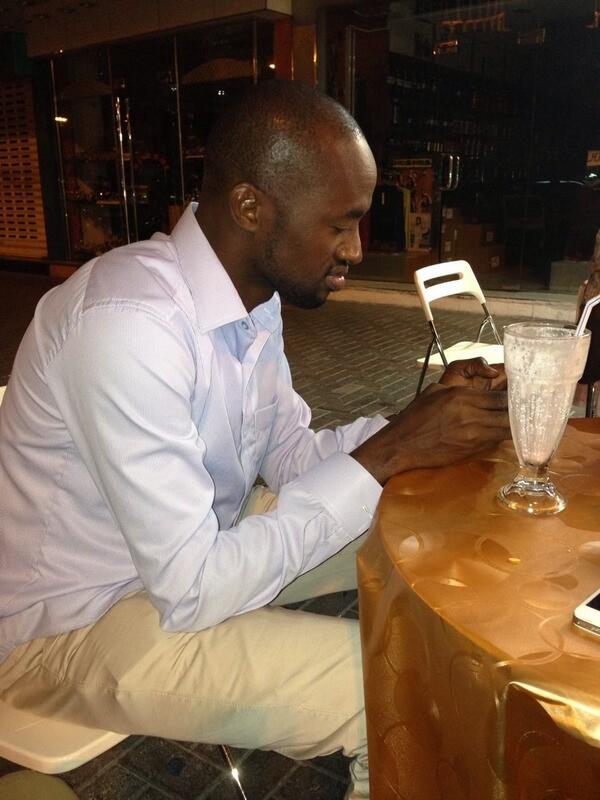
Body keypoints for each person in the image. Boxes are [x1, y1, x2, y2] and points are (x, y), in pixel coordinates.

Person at [0, 80, 509, 798]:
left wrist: (419, 424)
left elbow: (292, 457)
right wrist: (391, 453)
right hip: (66, 623)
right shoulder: (128, 327)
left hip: (191, 550)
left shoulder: (250, 301)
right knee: (399, 692)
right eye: (341, 225)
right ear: (250, 208)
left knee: (418, 528)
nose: (356, 250)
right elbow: (194, 588)